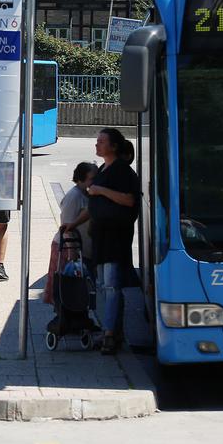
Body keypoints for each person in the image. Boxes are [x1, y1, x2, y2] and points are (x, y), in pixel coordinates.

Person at [86, 128, 140, 355]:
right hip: (101, 236)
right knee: (104, 286)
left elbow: (129, 200)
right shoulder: (102, 169)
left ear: (114, 146)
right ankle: (112, 330)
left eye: (101, 142)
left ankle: (109, 333)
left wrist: (100, 190)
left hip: (115, 237)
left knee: (111, 286)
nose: (97, 145)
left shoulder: (122, 172)